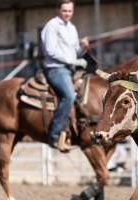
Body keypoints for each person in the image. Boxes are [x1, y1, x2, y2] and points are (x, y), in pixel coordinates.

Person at [41, 0, 89, 152]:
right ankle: (54, 135)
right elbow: (50, 50)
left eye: (70, 11)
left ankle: (77, 129)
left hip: (70, 67)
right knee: (69, 96)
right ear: (58, 10)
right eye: (64, 10)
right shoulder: (52, 26)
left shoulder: (72, 28)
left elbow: (75, 51)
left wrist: (82, 47)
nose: (67, 13)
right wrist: (72, 60)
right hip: (56, 69)